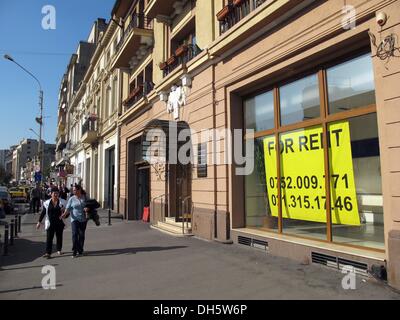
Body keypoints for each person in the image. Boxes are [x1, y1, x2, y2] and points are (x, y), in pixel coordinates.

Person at [36, 188, 67, 259]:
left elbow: (67, 213)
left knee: (59, 237)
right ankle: (48, 253)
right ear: (51, 194)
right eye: (54, 193)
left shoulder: (63, 202)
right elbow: (43, 213)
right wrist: (39, 222)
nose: (56, 195)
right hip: (50, 223)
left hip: (59, 223)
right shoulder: (46, 203)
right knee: (49, 238)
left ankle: (59, 250)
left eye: (57, 193)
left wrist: (64, 212)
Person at [62, 185, 89, 258]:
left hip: (83, 219)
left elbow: (89, 205)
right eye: (73, 190)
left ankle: (80, 250)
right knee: (74, 234)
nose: (73, 191)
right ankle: (74, 251)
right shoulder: (71, 199)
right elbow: (68, 208)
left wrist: (87, 209)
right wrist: (64, 214)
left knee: (81, 235)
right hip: (74, 219)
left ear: (79, 190)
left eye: (75, 190)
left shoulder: (85, 197)